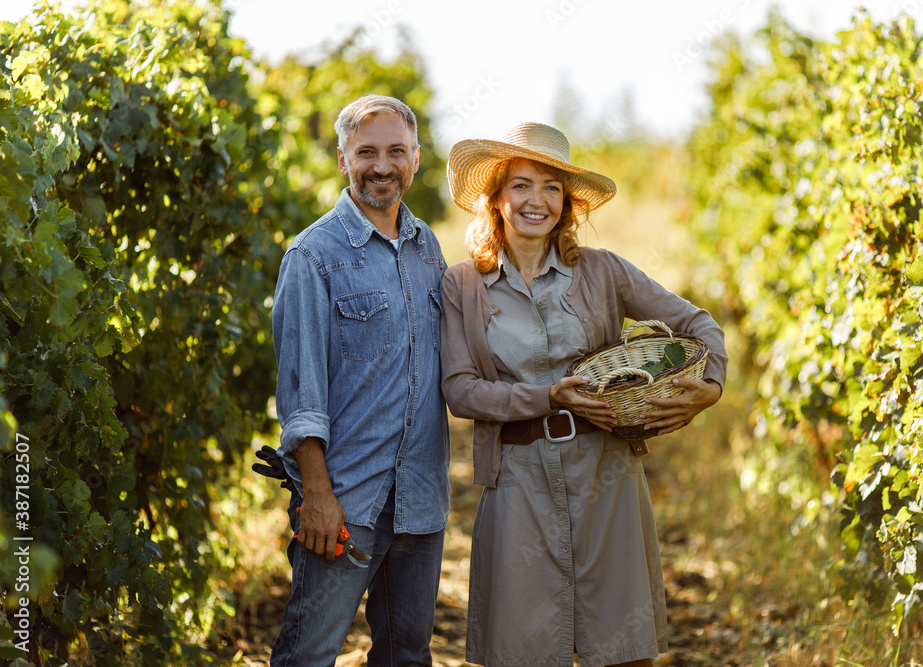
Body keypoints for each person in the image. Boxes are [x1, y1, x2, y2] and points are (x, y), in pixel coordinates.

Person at [440, 122, 728, 667]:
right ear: (496, 198)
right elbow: (461, 391)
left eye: (552, 187)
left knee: (622, 649)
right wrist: (550, 397)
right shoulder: (464, 285)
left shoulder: (602, 271)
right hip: (518, 481)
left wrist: (708, 389)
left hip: (607, 477)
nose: (537, 200)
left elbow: (697, 324)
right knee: (522, 650)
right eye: (521, 185)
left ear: (567, 204)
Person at [267, 94, 450, 666]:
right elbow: (302, 396)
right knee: (309, 655)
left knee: (406, 655)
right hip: (346, 502)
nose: (382, 165)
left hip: (419, 499)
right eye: (366, 151)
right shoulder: (313, 255)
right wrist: (318, 497)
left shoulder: (427, 250)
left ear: (415, 159)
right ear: (343, 158)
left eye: (397, 151)